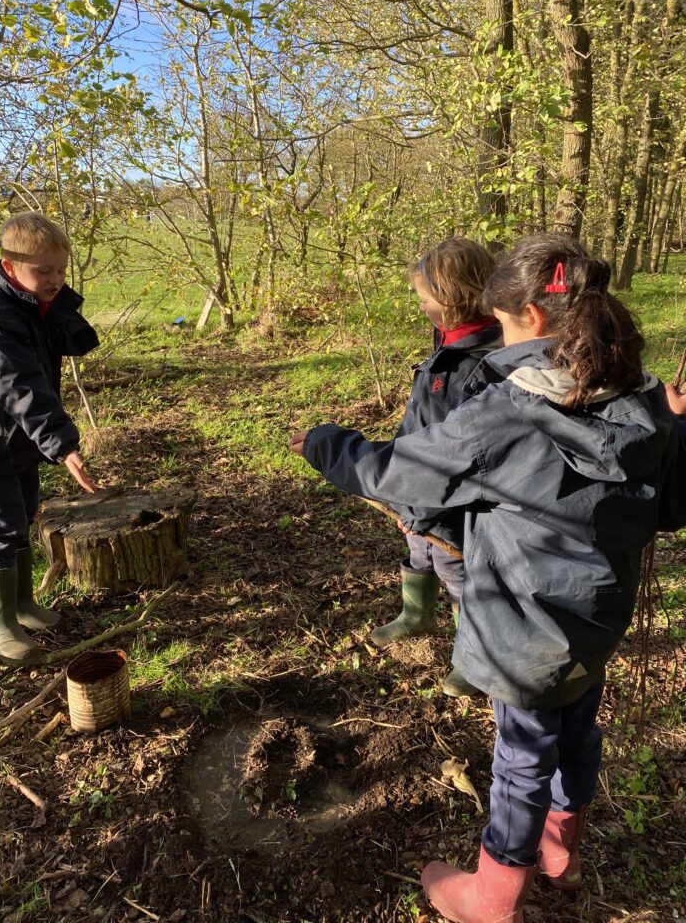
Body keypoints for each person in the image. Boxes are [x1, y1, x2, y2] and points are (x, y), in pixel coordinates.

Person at [290, 233, 683, 923]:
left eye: (502, 327)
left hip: (521, 626)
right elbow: (672, 505)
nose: (499, 346)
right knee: (577, 731)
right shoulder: (645, 399)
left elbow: (397, 473)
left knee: (521, 757)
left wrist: (327, 444)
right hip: (597, 618)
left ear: (530, 317)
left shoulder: (510, 409)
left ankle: (493, 894)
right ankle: (563, 853)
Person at [0, 213, 100, 667]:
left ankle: (22, 607)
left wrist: (57, 304)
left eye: (60, 270)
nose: (54, 279)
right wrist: (63, 444)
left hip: (16, 438)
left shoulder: (30, 305)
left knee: (25, 517)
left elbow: (57, 353)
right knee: (4, 525)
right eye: (43, 271)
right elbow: (21, 384)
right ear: (9, 267)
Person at [370, 238, 501, 701]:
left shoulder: (480, 362)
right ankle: (416, 614)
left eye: (424, 297)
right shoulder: (448, 343)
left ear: (452, 297)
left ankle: (473, 657)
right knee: (419, 550)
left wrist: (420, 502)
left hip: (449, 499)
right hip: (418, 488)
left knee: (458, 571)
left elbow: (461, 453)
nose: (420, 305)